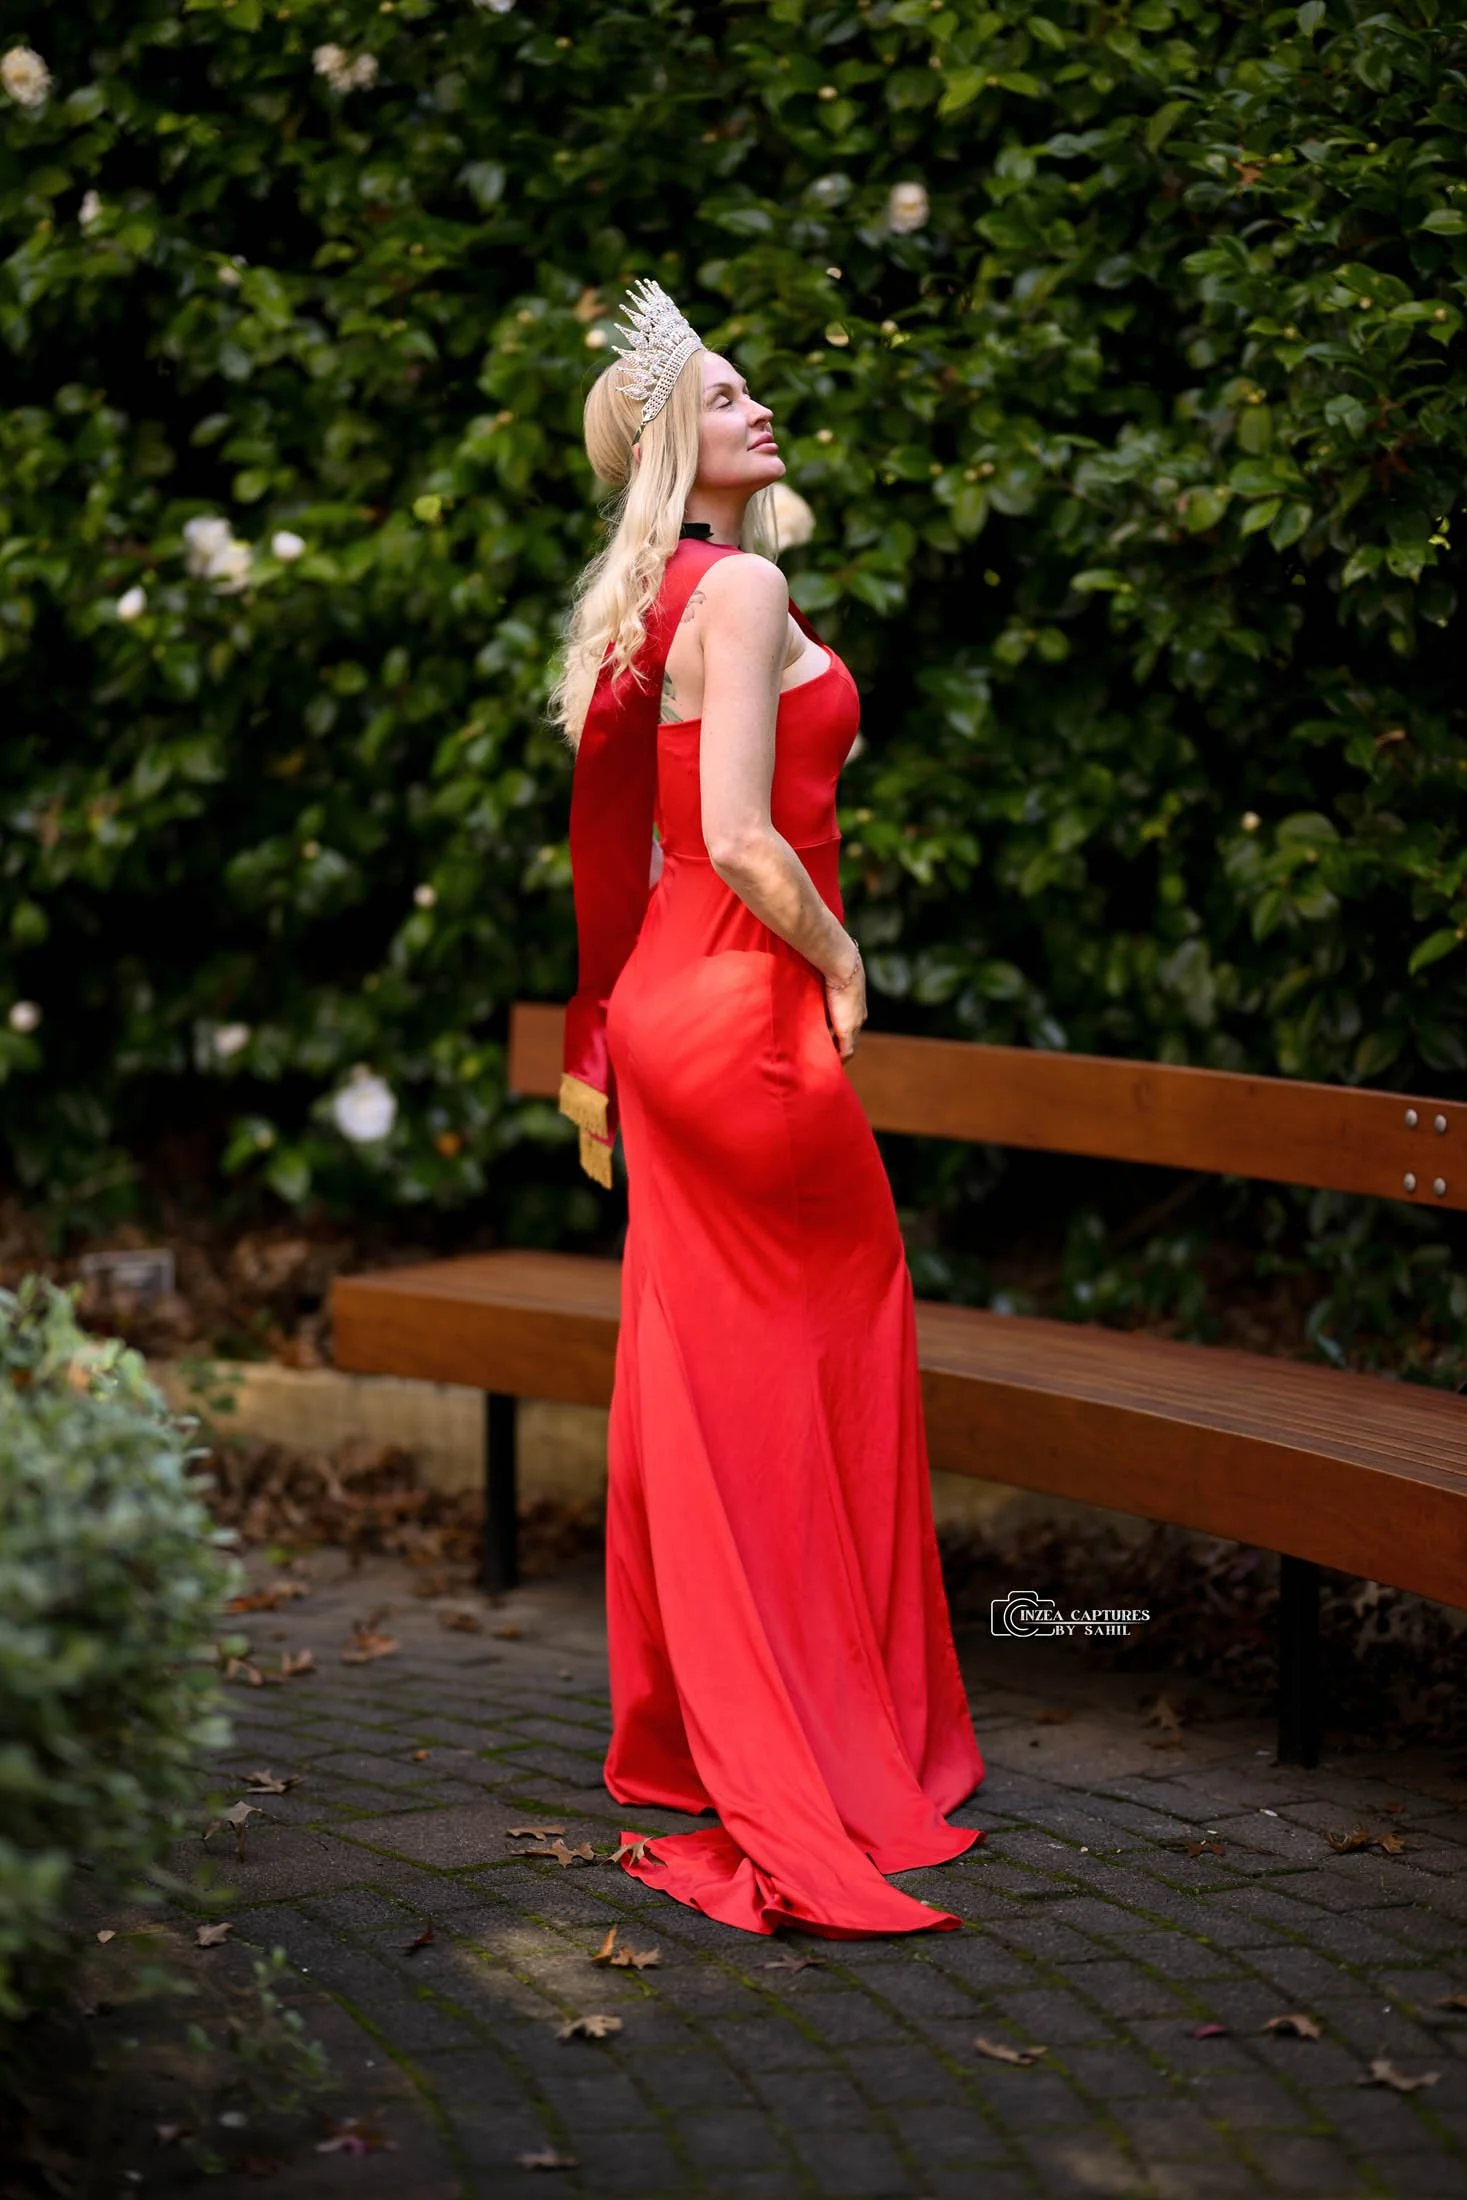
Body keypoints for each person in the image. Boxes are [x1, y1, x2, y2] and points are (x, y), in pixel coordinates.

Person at [545, 278, 985, 1937]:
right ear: (677, 443)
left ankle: (704, 1719)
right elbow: (739, 834)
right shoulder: (742, 587)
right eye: (726, 399)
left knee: (704, 1368)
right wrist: (846, 957)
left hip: (667, 1012)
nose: (759, 408)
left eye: (750, 390)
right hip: (745, 1009)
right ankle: (822, 1727)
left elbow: (661, 835)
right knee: (837, 1334)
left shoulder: (654, 602)